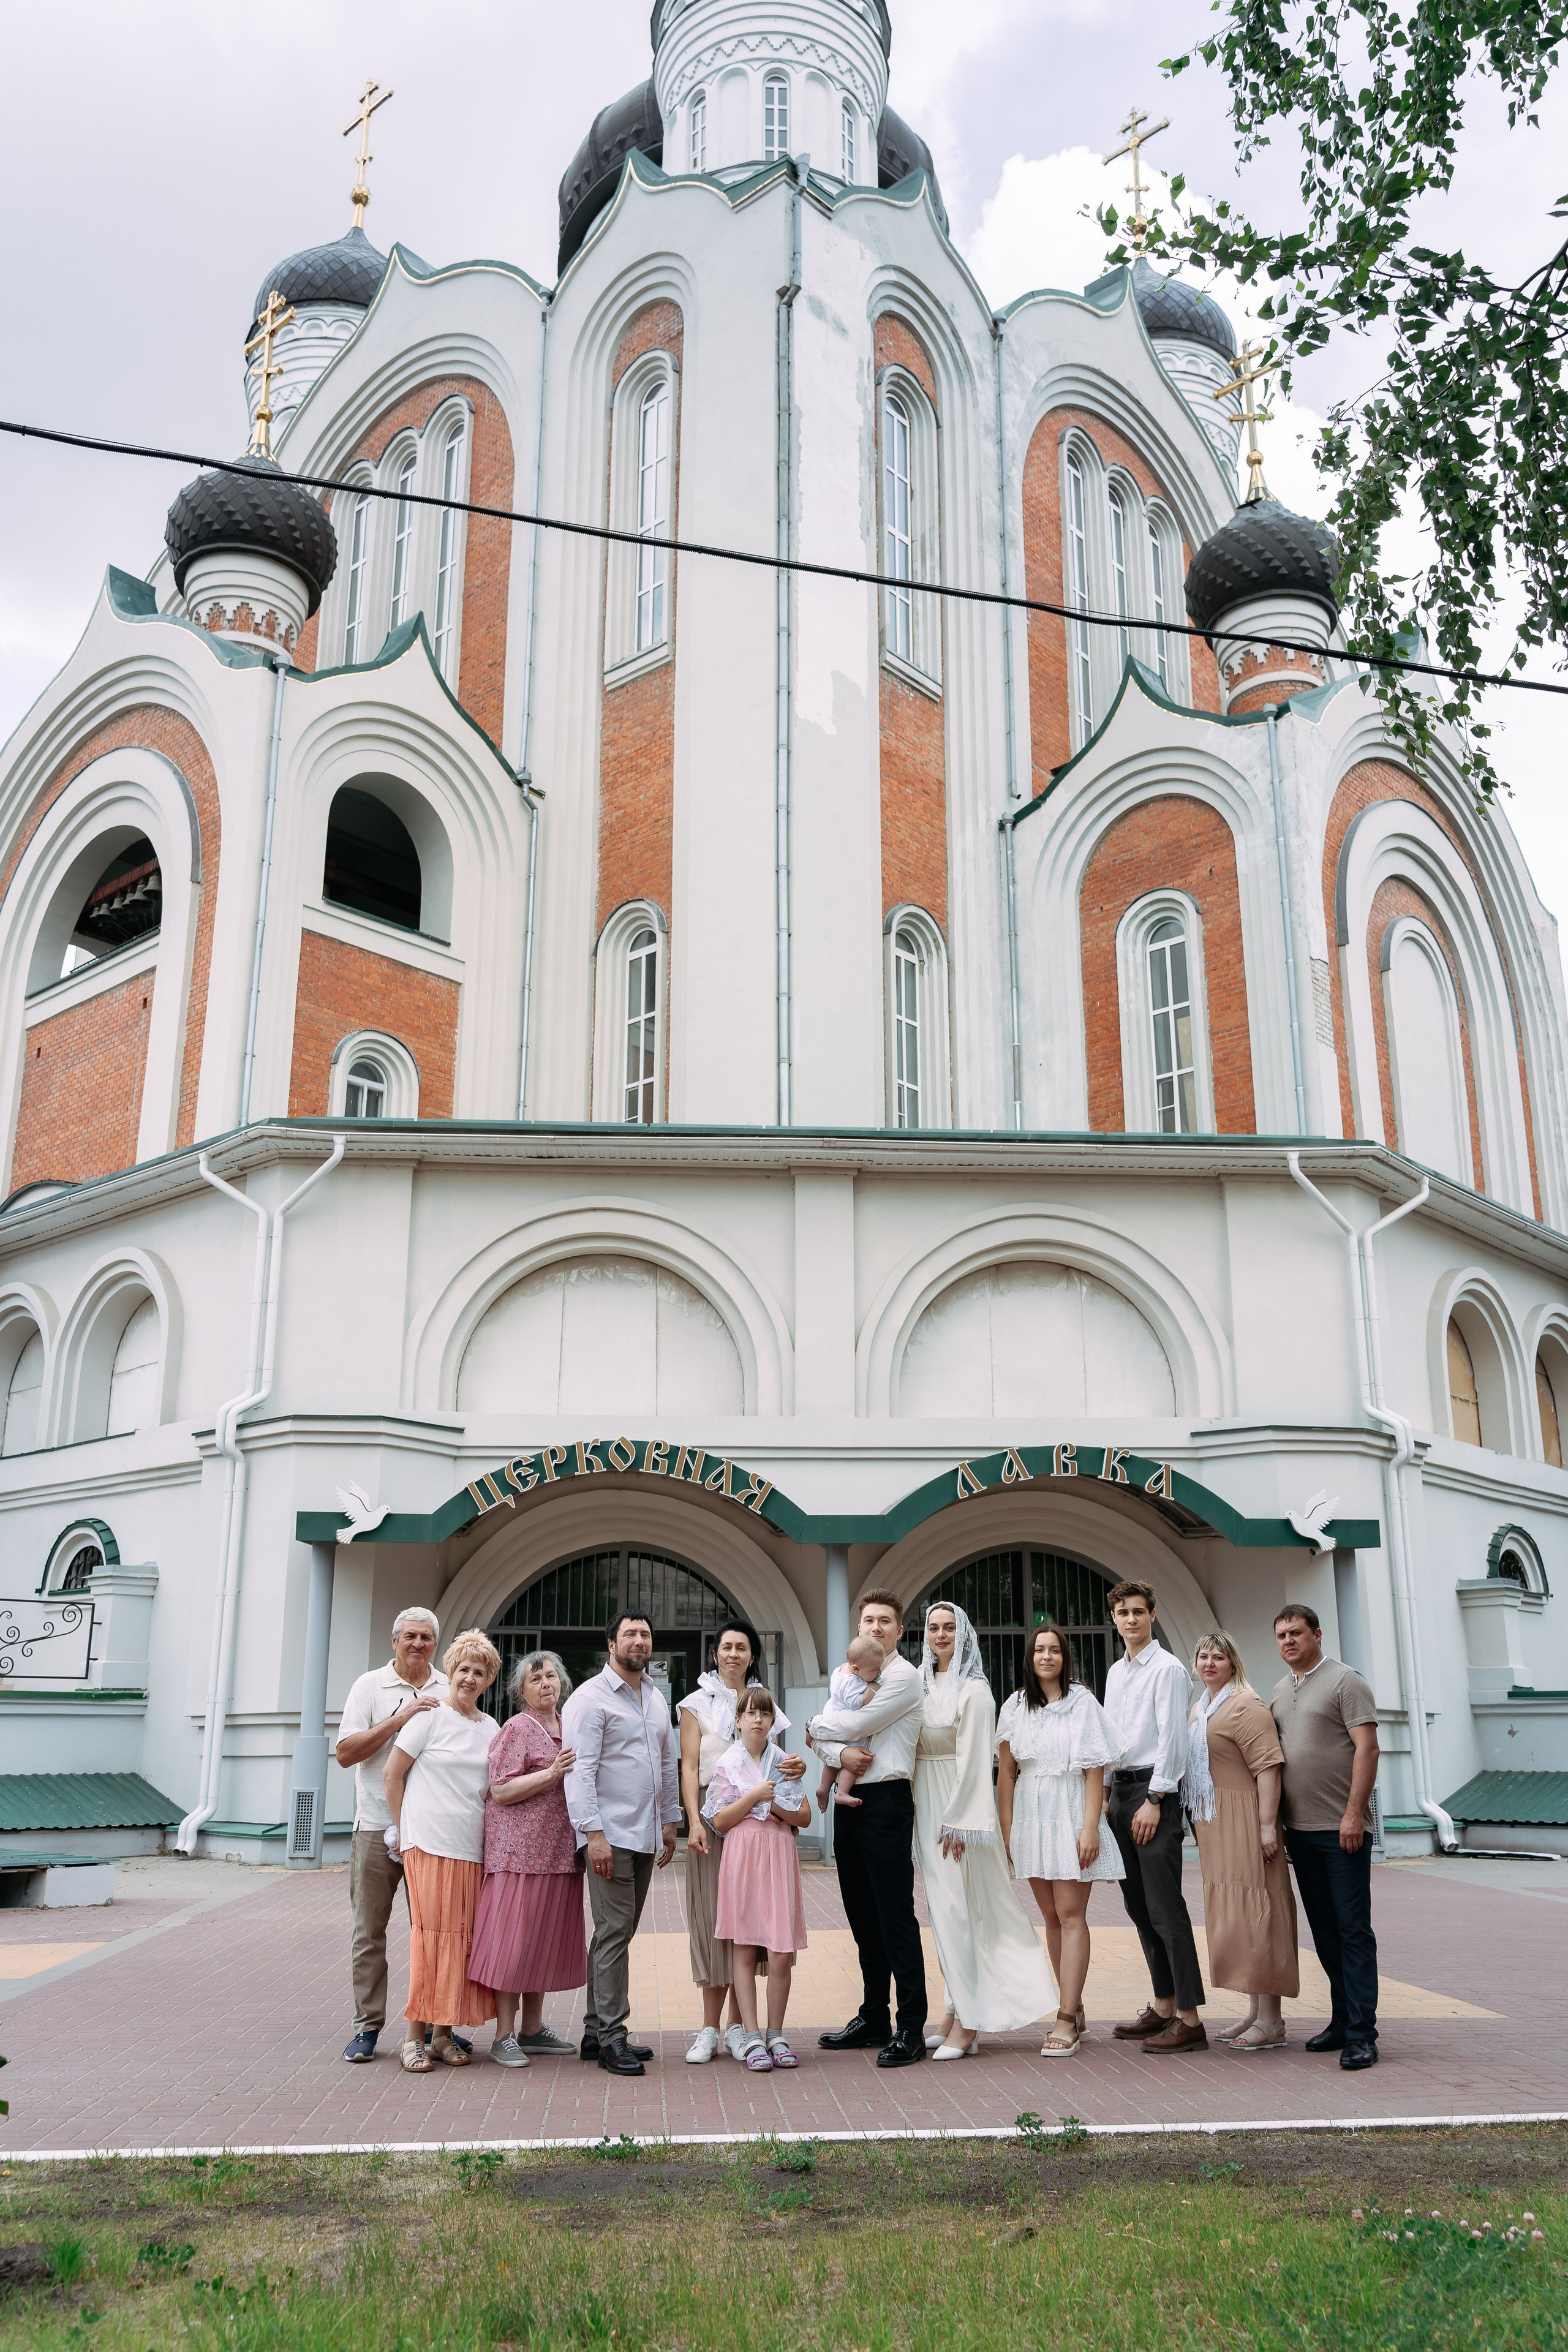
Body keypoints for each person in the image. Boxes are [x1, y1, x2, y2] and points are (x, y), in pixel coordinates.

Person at [913, 1602, 1055, 2059]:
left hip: (960, 1817)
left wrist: (960, 1820)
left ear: (963, 1633)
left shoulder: (974, 1691)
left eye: (950, 1627)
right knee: (945, 1916)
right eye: (934, 1628)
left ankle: (971, 2024)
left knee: (965, 1913)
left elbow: (977, 1762)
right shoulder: (920, 1683)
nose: (940, 1635)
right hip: (926, 1806)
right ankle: (956, 2009)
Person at [808, 1589, 929, 2067]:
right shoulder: (849, 1674)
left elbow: (856, 1722)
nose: (875, 1628)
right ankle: (874, 2016)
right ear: (859, 1628)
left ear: (899, 1631)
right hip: (850, 1803)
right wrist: (835, 1751)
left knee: (894, 1915)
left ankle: (911, 2027)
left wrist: (820, 1729)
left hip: (886, 1802)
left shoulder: (903, 1677)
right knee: (861, 1914)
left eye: (885, 1622)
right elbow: (831, 1738)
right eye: (868, 1620)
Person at [677, 1619, 804, 2066]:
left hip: (760, 1831)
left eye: (741, 1648)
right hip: (715, 1823)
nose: (733, 1654)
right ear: (715, 1654)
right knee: (716, 1925)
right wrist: (693, 1820)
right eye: (726, 1647)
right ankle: (710, 2028)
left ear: (752, 1656)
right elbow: (690, 1767)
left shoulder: (761, 1703)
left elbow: (777, 1763)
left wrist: (797, 1772)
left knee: (749, 1929)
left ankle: (742, 2030)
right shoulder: (695, 1704)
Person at [561, 1609, 682, 2078]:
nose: (639, 1641)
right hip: (609, 1834)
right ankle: (613, 2037)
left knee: (618, 1932)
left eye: (645, 1635)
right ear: (610, 1644)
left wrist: (671, 1820)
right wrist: (593, 1834)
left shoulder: (653, 1697)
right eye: (630, 1634)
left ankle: (595, 2031)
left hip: (647, 1832)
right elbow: (580, 1771)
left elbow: (666, 1762)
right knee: (614, 1931)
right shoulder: (589, 1700)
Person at [997, 1622, 1123, 2057]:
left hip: (1070, 1809)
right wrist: (1008, 1830)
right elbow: (1006, 1775)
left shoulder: (1081, 1702)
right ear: (1029, 1659)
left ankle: (1066, 2018)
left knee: (1071, 1915)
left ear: (1065, 1657)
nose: (1046, 1657)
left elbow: (1094, 1770)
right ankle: (1077, 2005)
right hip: (1031, 1813)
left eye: (1054, 1650)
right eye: (1039, 1651)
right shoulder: (1014, 1705)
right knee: (1050, 1917)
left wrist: (1090, 1827)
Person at [382, 1629, 502, 2073]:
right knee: (430, 1938)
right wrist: (402, 1831)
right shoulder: (428, 1717)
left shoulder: (489, 1727)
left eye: (479, 1672)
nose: (469, 1678)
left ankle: (444, 2034)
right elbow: (393, 1776)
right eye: (463, 1669)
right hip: (428, 1844)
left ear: (488, 1680)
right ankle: (413, 2037)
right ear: (449, 1672)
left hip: (472, 1848)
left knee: (461, 1944)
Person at [334, 1606, 448, 2064]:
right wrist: (401, 1718)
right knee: (370, 1933)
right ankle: (367, 2027)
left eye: (426, 1637)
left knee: (437, 1931)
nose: (418, 1644)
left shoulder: (448, 1685)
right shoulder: (369, 1686)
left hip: (433, 1832)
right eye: (410, 1636)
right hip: (376, 1827)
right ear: (395, 1641)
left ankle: (440, 2028)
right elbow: (345, 1753)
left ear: (435, 1645)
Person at [1270, 1603, 1381, 2071]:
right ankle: (1341, 2022)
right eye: (1281, 1636)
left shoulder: (1346, 1681)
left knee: (1353, 1932)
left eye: (1296, 1633)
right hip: (1301, 1832)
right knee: (1326, 1933)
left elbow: (1368, 1748)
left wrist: (1354, 1814)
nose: (1289, 1641)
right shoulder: (1278, 1691)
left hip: (1343, 1832)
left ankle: (1362, 2036)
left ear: (1317, 1634)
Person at [1102, 1581, 1208, 2053]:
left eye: (1139, 1612)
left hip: (1152, 1794)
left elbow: (1174, 1741)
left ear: (1153, 1614)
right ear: (1114, 1618)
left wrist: (1156, 1799)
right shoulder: (1116, 1672)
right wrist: (1107, 1793)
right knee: (1139, 1908)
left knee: (1166, 1910)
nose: (1131, 1620)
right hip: (1121, 1792)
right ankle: (1164, 2006)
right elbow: (1110, 1735)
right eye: (1123, 1612)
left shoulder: (1168, 1669)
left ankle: (1190, 2019)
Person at [467, 1649, 586, 2068]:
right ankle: (504, 2036)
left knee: (542, 1943)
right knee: (513, 1946)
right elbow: (500, 1790)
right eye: (536, 1680)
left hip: (559, 1853)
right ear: (521, 1690)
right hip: (518, 1854)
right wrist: (552, 1773)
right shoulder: (517, 1728)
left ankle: (533, 2030)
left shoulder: (570, 1726)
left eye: (551, 1676)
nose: (546, 1685)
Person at [1183, 1632, 1299, 2052]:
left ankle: (1272, 2020)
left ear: (1233, 1664)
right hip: (1216, 1820)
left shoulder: (1245, 1704)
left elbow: (1269, 1766)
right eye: (1204, 1656)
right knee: (1239, 1912)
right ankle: (1255, 2012)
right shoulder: (1202, 1706)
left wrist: (1267, 1825)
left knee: (1259, 1910)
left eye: (1219, 1657)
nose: (1210, 1662)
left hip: (1247, 1817)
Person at [706, 1686, 812, 2070]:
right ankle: (751, 2036)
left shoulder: (785, 1761)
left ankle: (777, 2034)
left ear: (773, 1721)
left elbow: (804, 1816)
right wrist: (754, 1797)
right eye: (749, 1713)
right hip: (744, 1856)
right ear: (737, 1720)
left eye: (763, 1714)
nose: (756, 1719)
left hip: (778, 1853)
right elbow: (719, 1820)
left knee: (782, 1950)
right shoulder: (728, 1763)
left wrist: (775, 1806)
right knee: (745, 1945)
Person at [813, 1634, 888, 1813]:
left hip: (833, 1718)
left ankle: (824, 1788)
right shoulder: (851, 1681)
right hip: (846, 1724)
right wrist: (872, 1689)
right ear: (856, 1669)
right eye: (875, 1670)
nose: (879, 1674)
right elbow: (855, 1703)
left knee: (832, 1761)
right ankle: (843, 1792)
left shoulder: (840, 1671)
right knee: (856, 1761)